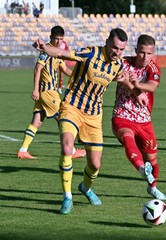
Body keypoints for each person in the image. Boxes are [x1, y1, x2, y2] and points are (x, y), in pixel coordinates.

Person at [33, 28, 128, 214]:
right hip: (72, 107)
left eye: (121, 49)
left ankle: (85, 187)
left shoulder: (118, 64)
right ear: (107, 42)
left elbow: (115, 77)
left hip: (94, 115)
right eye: (115, 47)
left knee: (95, 164)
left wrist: (125, 82)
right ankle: (67, 197)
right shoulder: (91, 52)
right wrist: (45, 48)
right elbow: (60, 52)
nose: (118, 52)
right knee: (67, 148)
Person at [112, 34, 166, 200]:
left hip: (144, 120)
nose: (145, 57)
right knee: (127, 136)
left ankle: (152, 187)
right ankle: (141, 168)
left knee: (153, 160)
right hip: (122, 114)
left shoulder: (153, 69)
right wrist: (120, 78)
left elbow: (152, 86)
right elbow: (113, 73)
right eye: (142, 53)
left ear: (153, 53)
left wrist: (134, 84)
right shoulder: (124, 63)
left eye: (149, 53)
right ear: (136, 51)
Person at [17, 26, 85, 160]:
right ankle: (70, 150)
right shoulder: (46, 51)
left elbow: (64, 68)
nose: (59, 42)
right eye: (56, 39)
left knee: (37, 121)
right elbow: (38, 69)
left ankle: (23, 150)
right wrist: (35, 89)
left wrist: (78, 77)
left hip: (48, 92)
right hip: (48, 92)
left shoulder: (57, 52)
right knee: (63, 118)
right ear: (51, 37)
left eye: (61, 39)